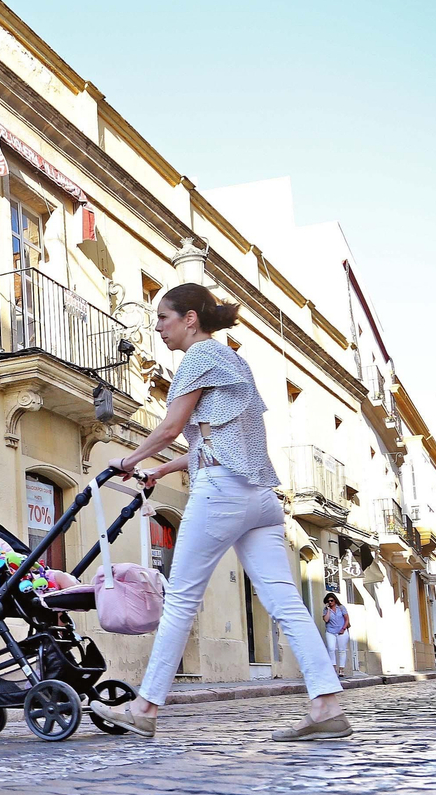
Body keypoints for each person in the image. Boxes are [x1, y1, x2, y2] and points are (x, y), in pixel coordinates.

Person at [91, 283, 350, 742]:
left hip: (222, 494)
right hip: (261, 499)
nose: (158, 328)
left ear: (190, 318)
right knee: (286, 603)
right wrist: (161, 469)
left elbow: (172, 426)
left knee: (181, 601)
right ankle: (326, 705)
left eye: (163, 318)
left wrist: (128, 460)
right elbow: (211, 443)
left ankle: (145, 707)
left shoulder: (197, 357)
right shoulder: (235, 361)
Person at [321, 593, 351, 676]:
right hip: (330, 631)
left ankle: (341, 669)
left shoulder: (341, 608)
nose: (330, 602)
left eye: (331, 600)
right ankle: (333, 667)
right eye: (328, 601)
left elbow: (347, 619)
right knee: (331, 648)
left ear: (335, 600)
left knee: (342, 650)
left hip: (342, 631)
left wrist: (343, 629)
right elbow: (326, 620)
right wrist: (328, 610)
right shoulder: (326, 610)